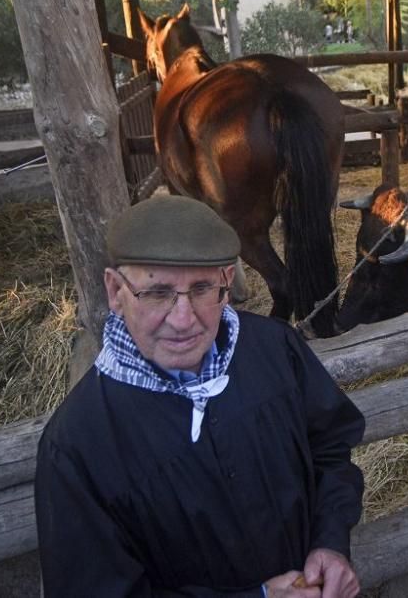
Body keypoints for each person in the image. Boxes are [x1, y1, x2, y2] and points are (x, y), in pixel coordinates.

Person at [35, 195, 366, 597]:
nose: (183, 319)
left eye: (202, 288)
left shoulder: (277, 350)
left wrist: (331, 542)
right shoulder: (77, 444)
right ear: (115, 290)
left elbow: (330, 449)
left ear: (227, 283)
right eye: (157, 292)